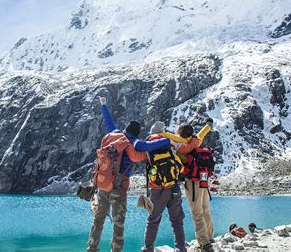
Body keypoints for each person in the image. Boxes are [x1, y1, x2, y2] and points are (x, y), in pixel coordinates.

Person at [87, 97, 171, 252]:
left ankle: (92, 249)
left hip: (103, 184)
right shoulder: (133, 143)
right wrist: (166, 141)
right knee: (118, 224)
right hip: (119, 187)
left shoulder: (115, 134)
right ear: (137, 133)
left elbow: (108, 122)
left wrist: (104, 105)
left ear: (125, 129)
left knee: (98, 220)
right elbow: (147, 146)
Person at [141, 121, 188, 252]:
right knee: (177, 222)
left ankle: (148, 248)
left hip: (157, 189)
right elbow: (181, 161)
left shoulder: (148, 144)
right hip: (174, 188)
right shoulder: (169, 141)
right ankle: (180, 248)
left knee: (153, 221)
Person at [174, 121, 214, 251]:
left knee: (197, 213)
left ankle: (204, 243)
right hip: (204, 179)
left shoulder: (180, 148)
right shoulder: (196, 141)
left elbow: (179, 165)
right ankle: (210, 237)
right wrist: (208, 125)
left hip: (192, 181)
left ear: (181, 134)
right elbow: (202, 133)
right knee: (206, 209)